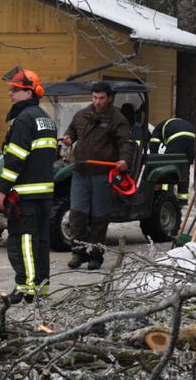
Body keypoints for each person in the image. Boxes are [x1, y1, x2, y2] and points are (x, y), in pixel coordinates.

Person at [0, 67, 57, 304]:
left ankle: (26, 289)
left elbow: (15, 159)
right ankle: (41, 288)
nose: (10, 93)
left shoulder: (23, 120)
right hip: (44, 194)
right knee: (41, 242)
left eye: (15, 89)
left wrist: (2, 189)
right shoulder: (46, 119)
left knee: (24, 242)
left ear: (29, 93)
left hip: (26, 195)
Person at [62, 82, 133, 270]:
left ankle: (95, 255)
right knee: (77, 214)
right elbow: (71, 131)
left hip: (103, 174)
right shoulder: (82, 115)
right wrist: (69, 137)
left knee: (99, 217)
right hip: (80, 171)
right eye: (94, 97)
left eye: (101, 98)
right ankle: (78, 253)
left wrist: (124, 160)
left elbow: (125, 142)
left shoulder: (117, 118)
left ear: (109, 98)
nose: (97, 102)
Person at [149, 117, 195, 204]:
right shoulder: (170, 124)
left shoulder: (156, 130)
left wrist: (153, 161)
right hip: (192, 136)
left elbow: (153, 145)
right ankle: (182, 199)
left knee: (168, 168)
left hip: (177, 137)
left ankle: (166, 196)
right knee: (184, 169)